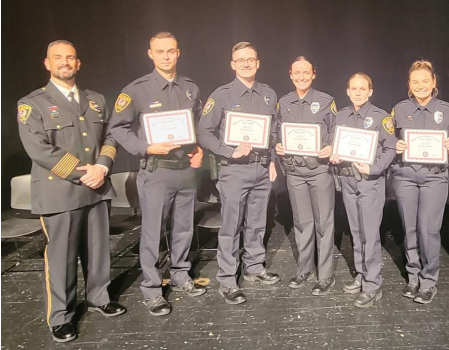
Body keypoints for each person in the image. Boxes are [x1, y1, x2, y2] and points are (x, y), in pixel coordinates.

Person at [17, 40, 126, 343]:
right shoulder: (32, 103)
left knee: (98, 250)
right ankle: (61, 316)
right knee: (61, 256)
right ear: (47, 63)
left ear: (78, 64)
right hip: (60, 192)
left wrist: (102, 166)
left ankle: (99, 297)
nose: (65, 62)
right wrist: (84, 172)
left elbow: (112, 136)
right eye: (58, 58)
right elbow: (40, 150)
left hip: (97, 186)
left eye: (70, 58)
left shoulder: (96, 100)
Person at [108, 32, 206, 316]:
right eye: (160, 51)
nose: (166, 56)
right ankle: (152, 289)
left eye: (171, 51)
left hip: (186, 170)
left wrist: (199, 148)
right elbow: (118, 129)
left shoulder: (190, 88)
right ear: (150, 54)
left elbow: (197, 124)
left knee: (184, 227)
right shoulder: (135, 90)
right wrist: (146, 147)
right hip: (156, 172)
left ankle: (180, 275)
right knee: (152, 233)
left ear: (178, 53)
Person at [197, 42, 280, 305]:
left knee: (257, 223)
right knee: (231, 226)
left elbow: (274, 132)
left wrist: (272, 161)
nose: (246, 63)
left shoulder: (269, 94)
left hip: (261, 168)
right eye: (240, 60)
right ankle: (227, 279)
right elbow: (204, 134)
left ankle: (254, 267)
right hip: (233, 170)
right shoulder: (220, 95)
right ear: (232, 64)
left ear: (258, 63)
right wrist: (228, 152)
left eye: (250, 59)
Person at [391, 60, 449, 304]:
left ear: (434, 83)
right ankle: (413, 276)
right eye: (415, 82)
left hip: (434, 177)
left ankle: (429, 279)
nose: (421, 86)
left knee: (428, 229)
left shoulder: (447, 109)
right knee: (409, 227)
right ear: (409, 86)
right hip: (405, 176)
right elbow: (387, 138)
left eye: (425, 81)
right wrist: (395, 145)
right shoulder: (399, 109)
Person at [331, 72, 396, 308]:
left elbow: (390, 149)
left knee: (370, 234)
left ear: (370, 91)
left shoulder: (381, 117)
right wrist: (335, 155)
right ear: (348, 91)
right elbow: (335, 143)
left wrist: (374, 168)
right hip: (348, 180)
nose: (358, 92)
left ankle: (372, 285)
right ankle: (361, 274)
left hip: (370, 181)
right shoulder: (341, 116)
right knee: (356, 233)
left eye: (362, 88)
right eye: (353, 89)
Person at [274, 57, 338, 295]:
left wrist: (332, 147)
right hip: (295, 172)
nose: (301, 77)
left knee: (324, 223)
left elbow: (335, 131)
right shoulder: (284, 102)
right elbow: (276, 132)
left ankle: (325, 275)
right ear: (291, 75)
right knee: (302, 223)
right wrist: (278, 145)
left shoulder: (325, 101)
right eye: (297, 73)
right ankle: (304, 269)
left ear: (314, 74)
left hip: (319, 170)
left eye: (306, 73)